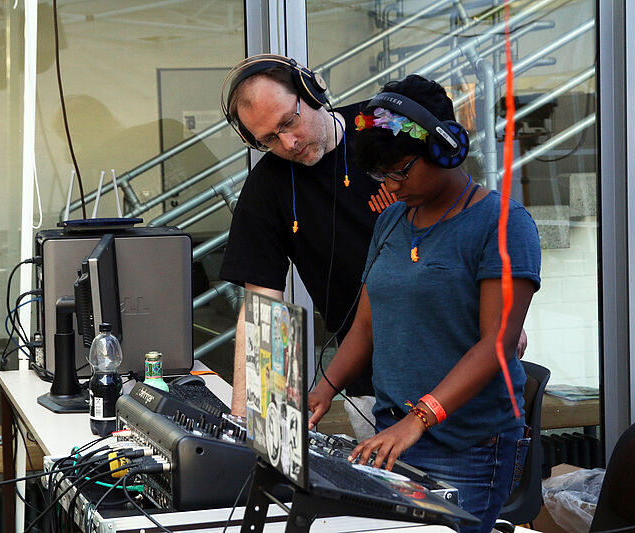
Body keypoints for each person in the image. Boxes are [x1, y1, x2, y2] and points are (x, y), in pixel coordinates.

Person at [219, 55, 528, 434]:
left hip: (461, 365)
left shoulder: (382, 127)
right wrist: (247, 424)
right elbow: (263, 308)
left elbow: (465, 212)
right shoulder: (267, 188)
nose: (288, 142)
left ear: (311, 91)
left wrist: (503, 314)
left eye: (289, 121)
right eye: (268, 139)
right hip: (370, 382)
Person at [306, 75, 541, 533]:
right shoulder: (392, 219)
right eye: (381, 175)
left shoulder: (503, 224)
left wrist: (417, 420)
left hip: (468, 445)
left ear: (445, 148)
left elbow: (497, 344)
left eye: (400, 171)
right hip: (394, 432)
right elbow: (365, 328)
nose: (391, 186)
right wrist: (323, 390)